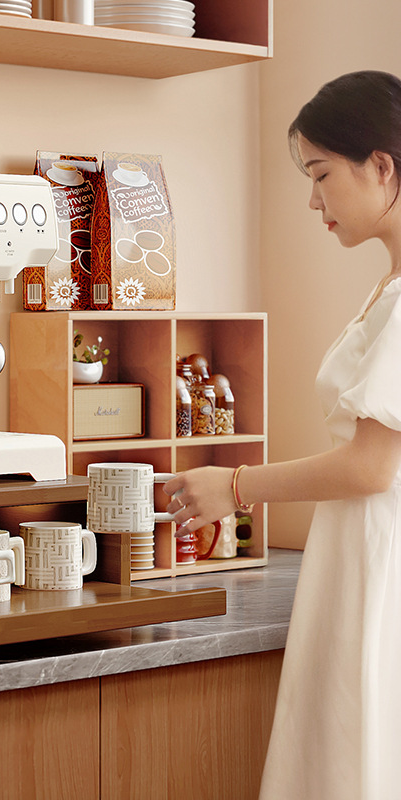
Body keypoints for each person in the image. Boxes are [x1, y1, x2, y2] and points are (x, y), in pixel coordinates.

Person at [164, 70, 401, 800]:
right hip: (359, 552)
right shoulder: (389, 288)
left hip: (378, 559)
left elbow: (371, 468)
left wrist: (234, 485)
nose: (313, 200)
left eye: (322, 174)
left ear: (382, 166)